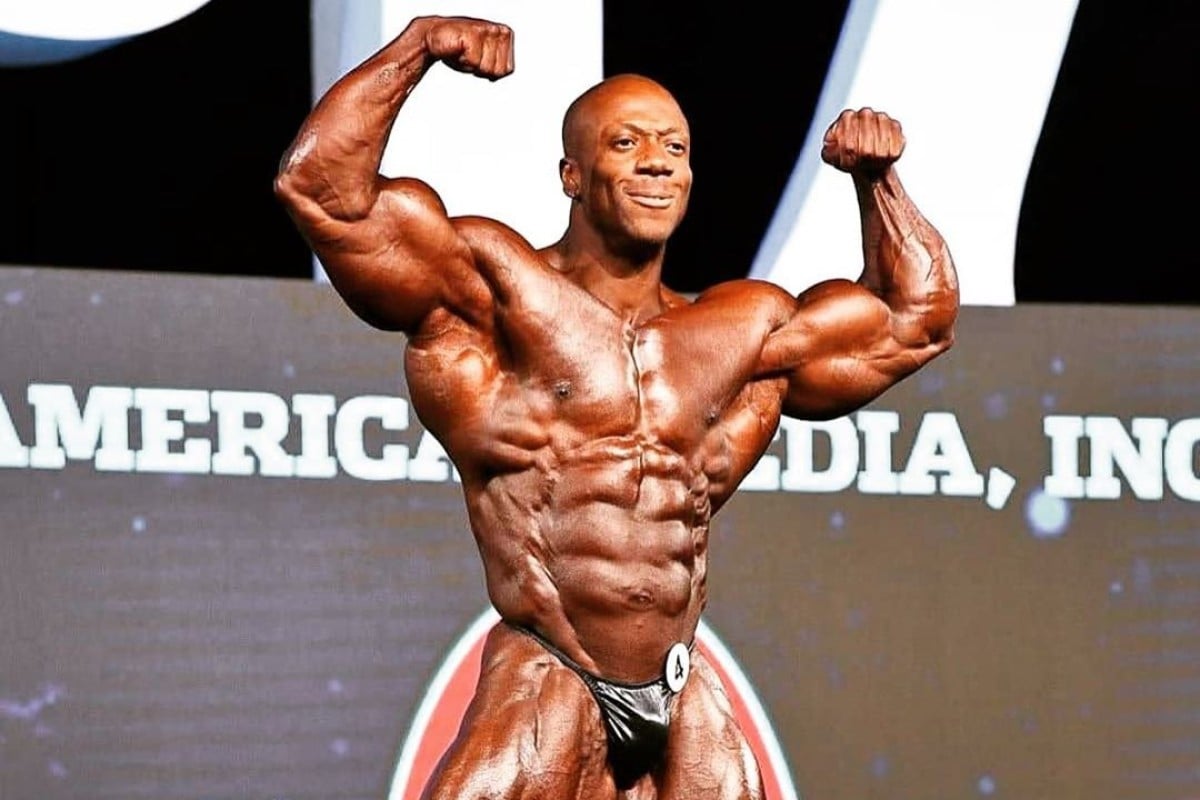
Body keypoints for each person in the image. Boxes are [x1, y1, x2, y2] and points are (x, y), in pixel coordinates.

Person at [274, 14, 958, 800]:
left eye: (674, 146)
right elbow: (322, 188)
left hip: (679, 691)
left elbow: (917, 320)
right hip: (551, 666)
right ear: (571, 174)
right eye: (627, 143)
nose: (657, 164)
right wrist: (417, 47)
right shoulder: (499, 295)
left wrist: (879, 184)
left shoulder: (738, 334)